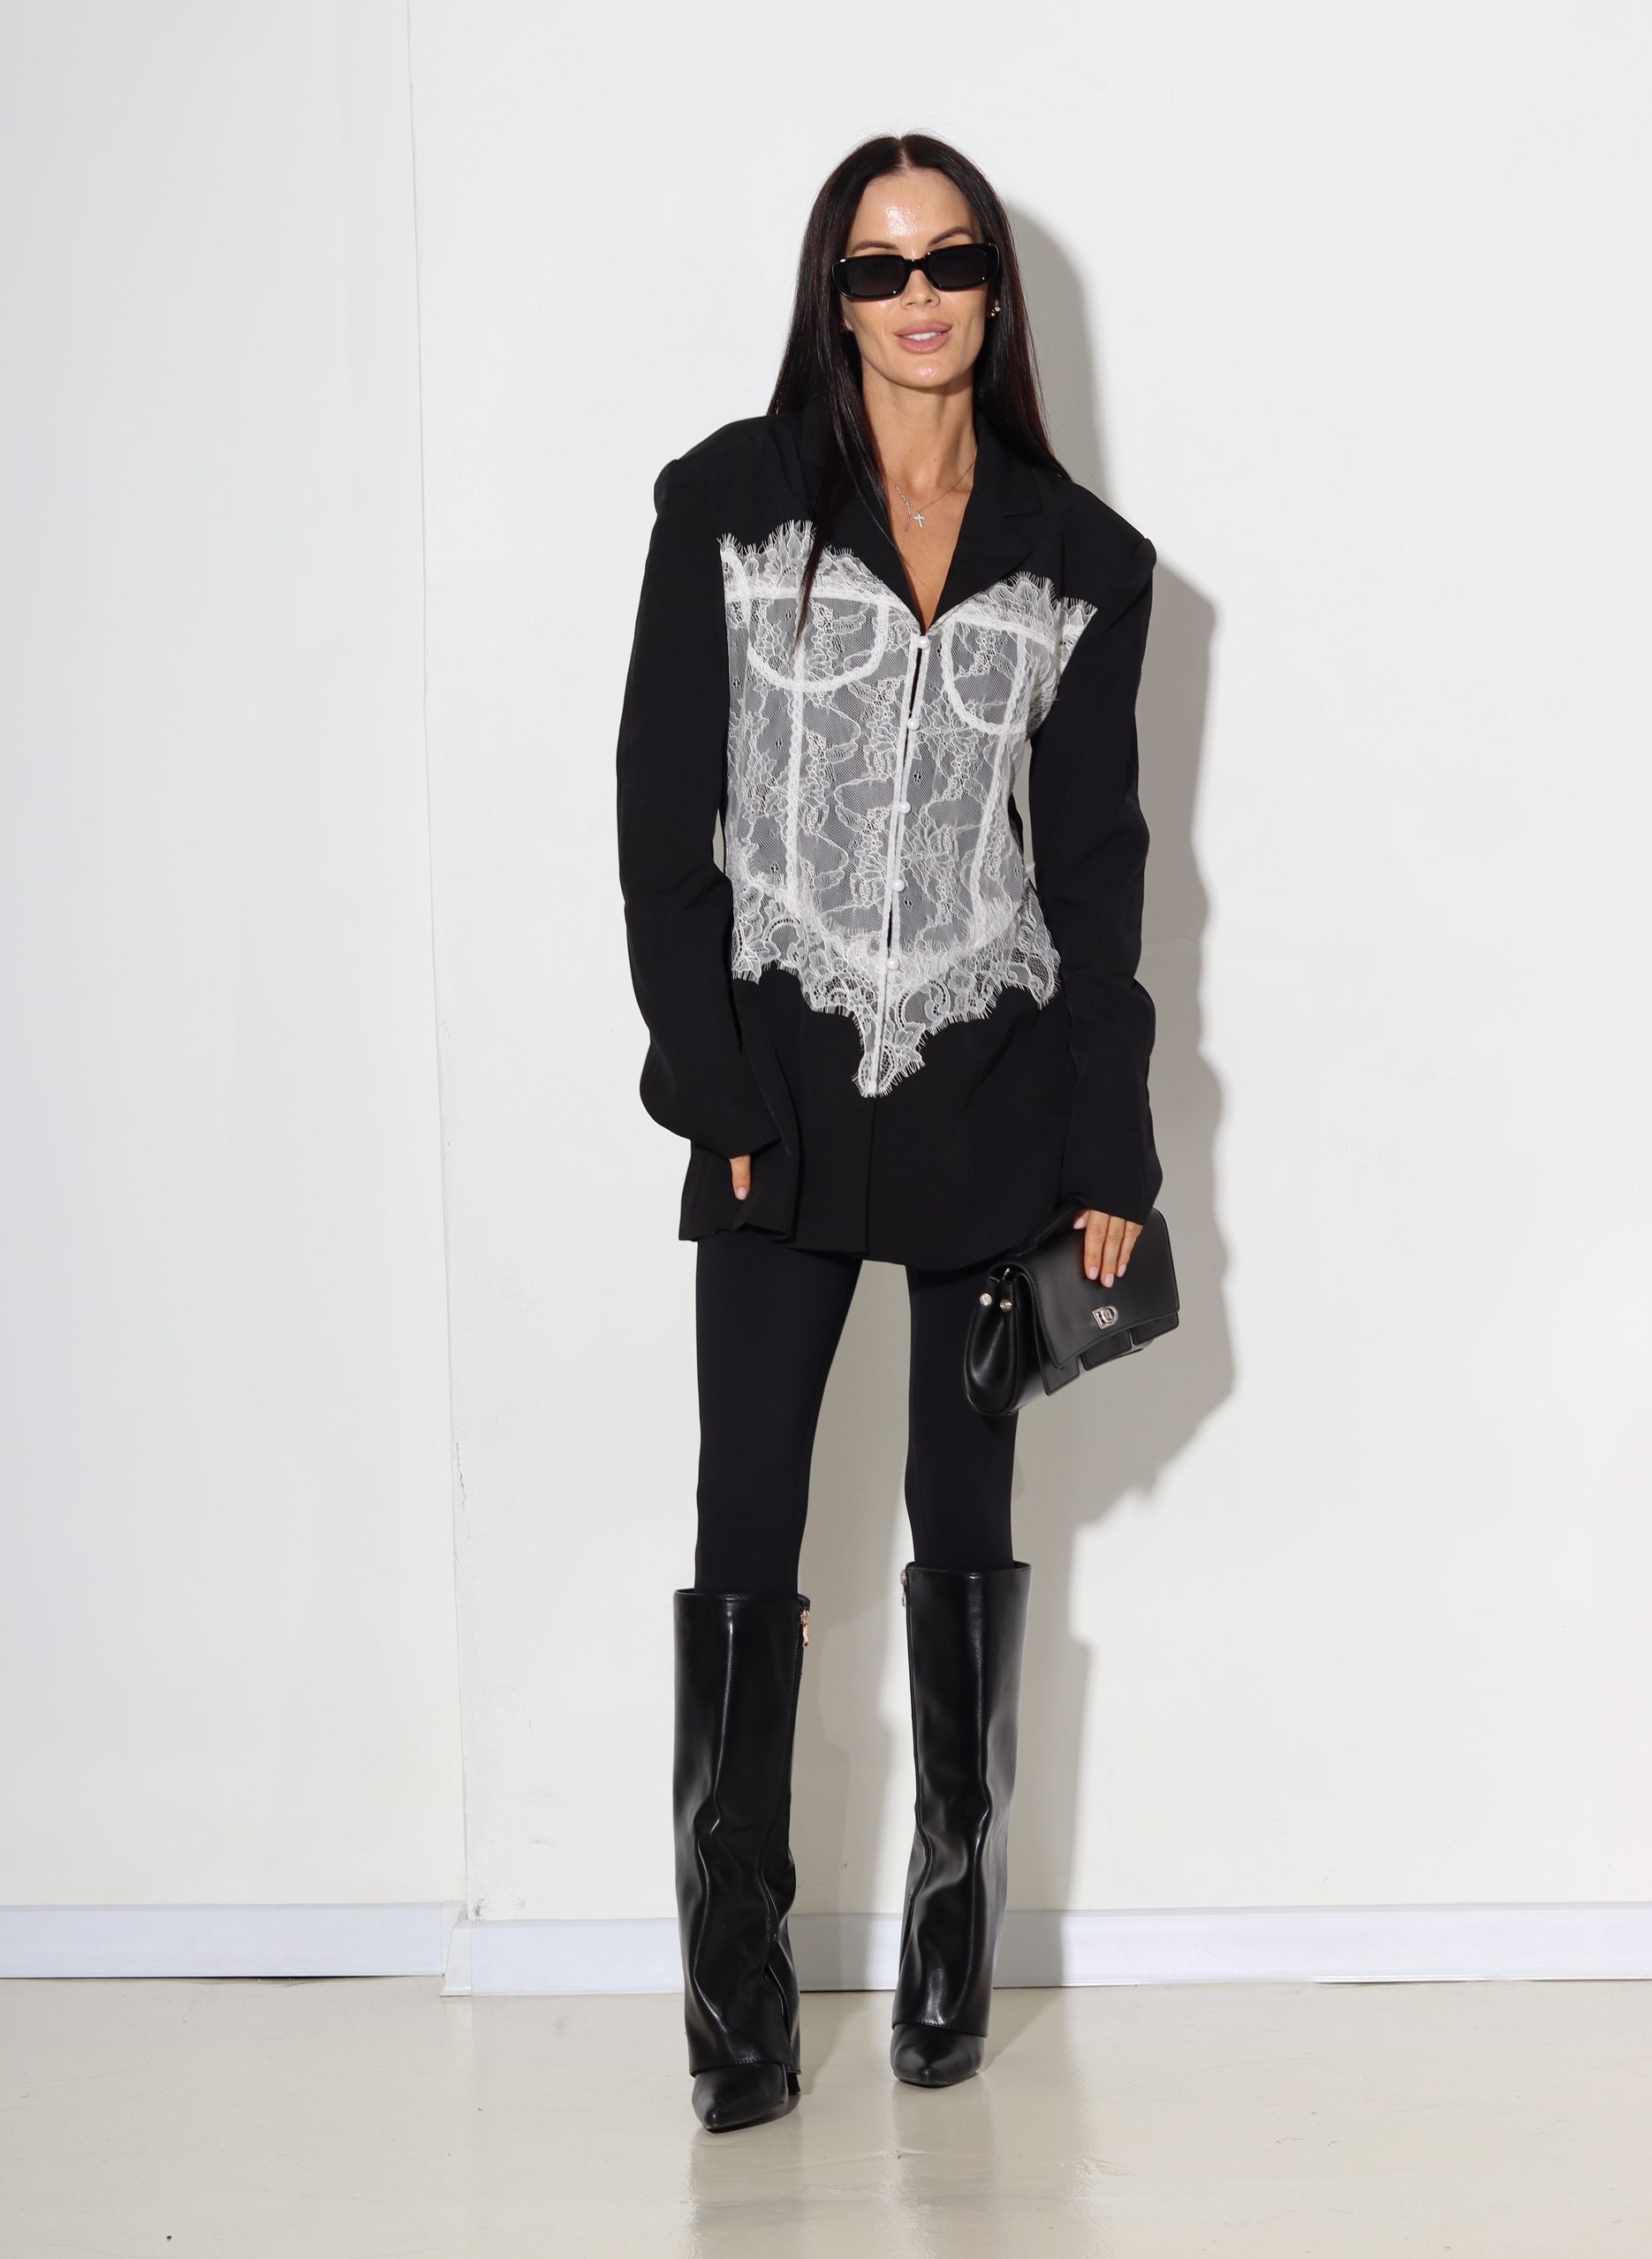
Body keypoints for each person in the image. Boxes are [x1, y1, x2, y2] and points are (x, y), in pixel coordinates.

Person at [614, 129, 1163, 2133]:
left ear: (994, 287)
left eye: (947, 261)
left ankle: (949, 1939)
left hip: (993, 1097)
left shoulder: (1083, 560)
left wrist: (1112, 1152)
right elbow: (658, 821)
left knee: (966, 1521)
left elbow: (1094, 874)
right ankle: (734, 1994)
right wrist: (713, 1088)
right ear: (831, 295)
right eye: (876, 265)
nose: (916, 296)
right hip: (772, 1100)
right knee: (745, 1523)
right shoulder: (727, 505)